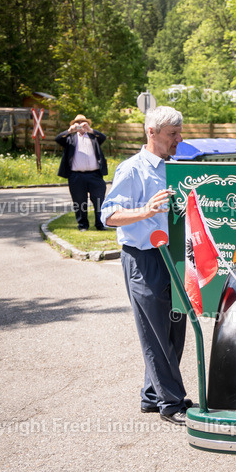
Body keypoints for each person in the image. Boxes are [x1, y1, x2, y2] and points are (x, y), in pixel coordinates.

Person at [100, 106, 190, 425]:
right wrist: (144, 211)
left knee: (174, 329)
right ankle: (172, 403)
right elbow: (108, 215)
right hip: (143, 259)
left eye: (179, 133)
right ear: (151, 133)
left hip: (173, 257)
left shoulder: (173, 168)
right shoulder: (131, 169)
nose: (179, 139)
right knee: (154, 332)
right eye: (172, 134)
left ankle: (152, 396)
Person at [56, 115, 108, 231]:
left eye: (83, 122)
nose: (80, 124)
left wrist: (90, 130)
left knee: (99, 200)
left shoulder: (93, 137)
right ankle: (83, 225)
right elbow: (58, 139)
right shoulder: (70, 138)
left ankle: (100, 224)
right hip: (76, 175)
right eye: (78, 122)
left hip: (95, 175)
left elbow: (103, 137)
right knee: (79, 202)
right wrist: (69, 131)